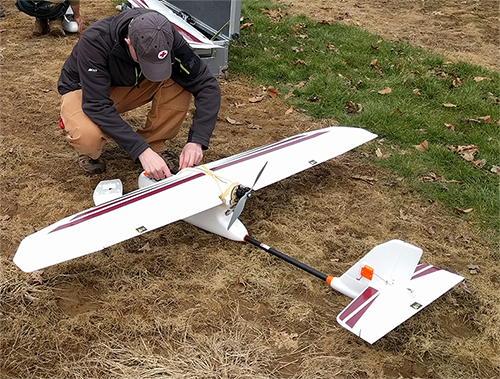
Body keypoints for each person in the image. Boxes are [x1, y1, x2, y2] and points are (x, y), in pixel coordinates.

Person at [57, 8, 221, 180]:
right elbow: (96, 105)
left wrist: (197, 141)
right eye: (145, 60)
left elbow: (206, 84)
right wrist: (140, 151)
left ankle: (154, 143)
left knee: (181, 81)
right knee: (87, 136)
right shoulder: (95, 41)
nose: (154, 67)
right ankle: (87, 147)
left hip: (132, 84)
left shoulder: (165, 34)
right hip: (86, 91)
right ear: (128, 41)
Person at [16, 0, 83, 37]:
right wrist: (77, 16)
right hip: (52, 8)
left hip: (26, 5)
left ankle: (40, 22)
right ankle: (55, 20)